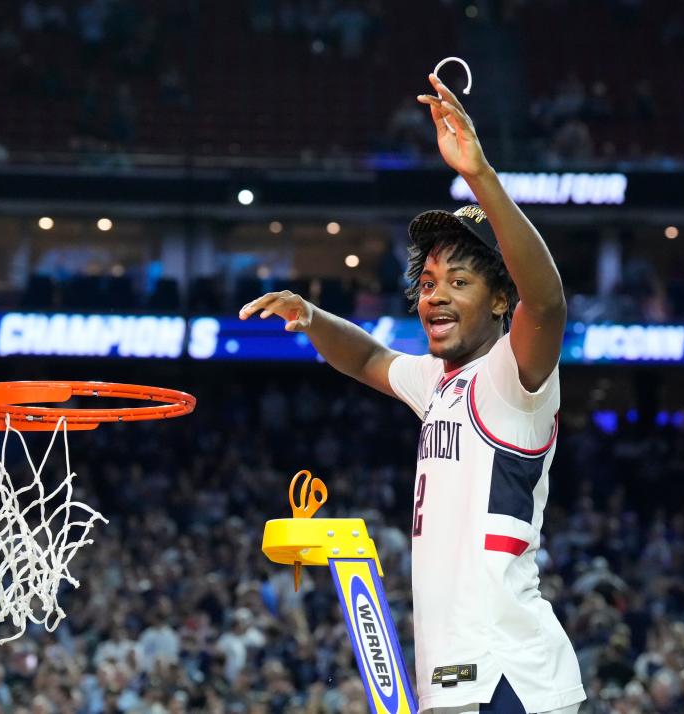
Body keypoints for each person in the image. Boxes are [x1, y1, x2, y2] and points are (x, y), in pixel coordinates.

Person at [239, 73, 585, 713]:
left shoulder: (513, 379)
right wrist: (312, 318)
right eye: (427, 281)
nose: (435, 296)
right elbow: (369, 355)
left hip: (509, 680)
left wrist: (479, 174)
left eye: (459, 280)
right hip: (457, 682)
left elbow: (548, 300)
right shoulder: (437, 382)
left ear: (500, 301)